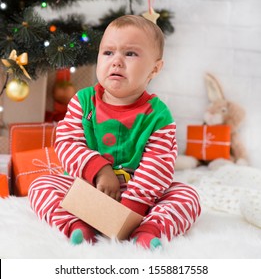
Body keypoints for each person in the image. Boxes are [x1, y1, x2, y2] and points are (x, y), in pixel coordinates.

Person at [28, 15, 201, 250]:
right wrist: (99, 170)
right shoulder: (83, 101)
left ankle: (148, 231)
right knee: (41, 186)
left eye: (130, 54)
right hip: (89, 188)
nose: (116, 61)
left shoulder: (158, 115)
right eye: (108, 53)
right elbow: (67, 143)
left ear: (155, 68)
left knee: (187, 197)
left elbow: (157, 166)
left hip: (140, 195)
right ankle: (76, 225)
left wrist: (131, 209)